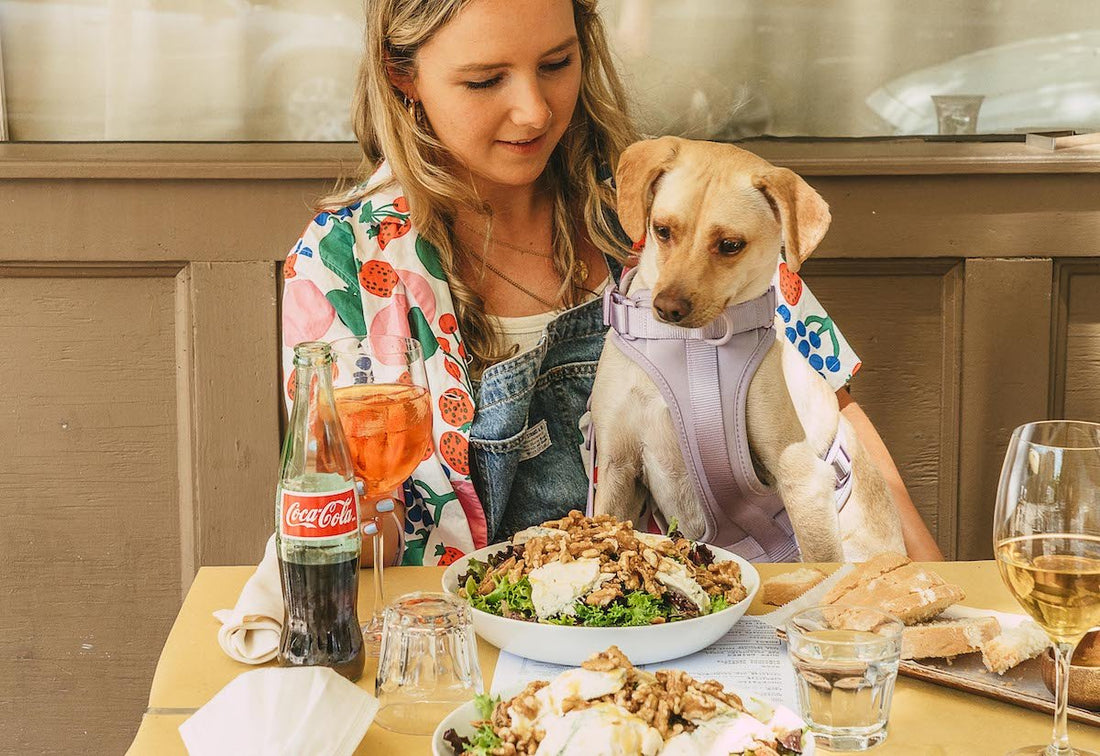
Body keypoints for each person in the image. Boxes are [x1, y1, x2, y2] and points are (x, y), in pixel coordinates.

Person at [280, 0, 944, 566]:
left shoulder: (661, 202)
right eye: (485, 81)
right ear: (404, 74)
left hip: (687, 625)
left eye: (556, 64)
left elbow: (833, 413)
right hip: (468, 642)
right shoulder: (345, 265)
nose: (535, 112)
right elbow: (346, 511)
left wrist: (931, 586)